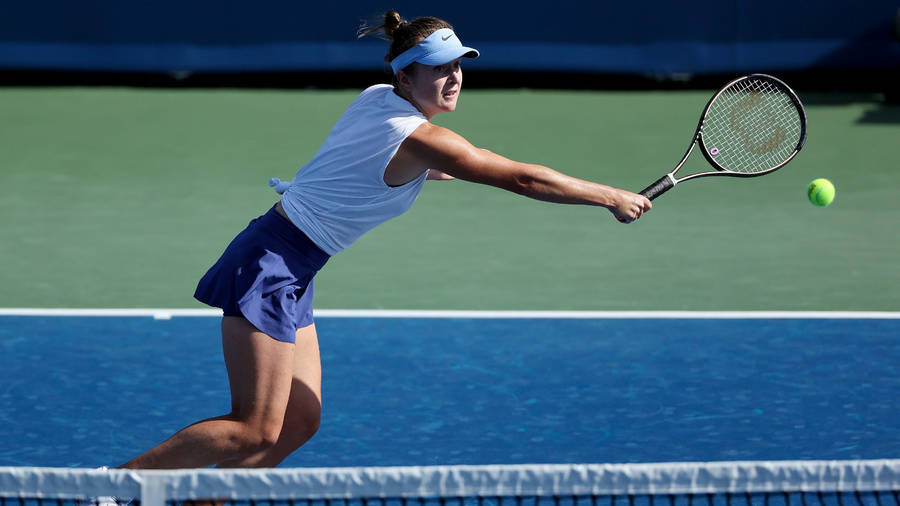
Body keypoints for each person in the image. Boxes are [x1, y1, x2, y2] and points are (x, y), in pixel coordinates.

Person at [120, 10, 650, 470]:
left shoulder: (378, 100)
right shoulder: (419, 136)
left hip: (291, 264)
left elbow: (399, 165)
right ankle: (109, 488)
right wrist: (610, 196)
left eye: (458, 65)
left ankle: (206, 498)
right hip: (270, 263)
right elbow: (521, 178)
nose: (454, 77)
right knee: (254, 428)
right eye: (439, 68)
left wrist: (454, 165)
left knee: (299, 422)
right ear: (406, 74)